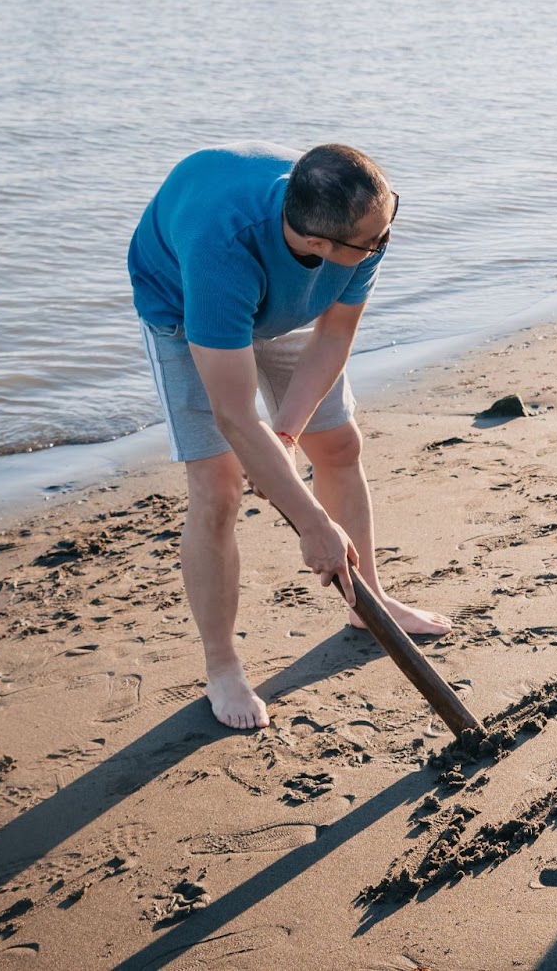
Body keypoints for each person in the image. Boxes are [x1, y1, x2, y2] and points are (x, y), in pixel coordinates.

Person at [129, 141, 452, 730]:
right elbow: (232, 414)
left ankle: (367, 602)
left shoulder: (364, 220)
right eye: (374, 239)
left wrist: (284, 435)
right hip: (185, 312)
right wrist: (313, 528)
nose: (387, 241)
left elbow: (333, 336)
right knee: (219, 485)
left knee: (338, 445)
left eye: (388, 221)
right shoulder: (221, 250)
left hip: (285, 309)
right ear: (321, 245)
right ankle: (222, 666)